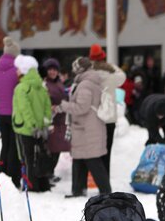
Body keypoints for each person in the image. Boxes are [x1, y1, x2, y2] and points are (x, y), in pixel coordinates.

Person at [55, 56, 111, 197]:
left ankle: (105, 191)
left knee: (92, 160)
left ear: (79, 69)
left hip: (87, 128)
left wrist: (63, 106)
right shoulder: (90, 81)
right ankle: (78, 190)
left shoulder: (85, 84)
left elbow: (82, 107)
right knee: (80, 159)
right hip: (87, 127)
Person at [12, 55, 52, 192]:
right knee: (40, 156)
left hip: (25, 129)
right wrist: (45, 124)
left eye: (18, 69)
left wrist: (32, 126)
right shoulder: (41, 87)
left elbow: (24, 109)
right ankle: (43, 184)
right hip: (40, 129)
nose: (16, 71)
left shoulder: (21, 88)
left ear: (24, 70)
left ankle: (31, 186)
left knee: (27, 158)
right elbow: (47, 107)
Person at [90, 43, 126, 176]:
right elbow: (122, 76)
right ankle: (105, 179)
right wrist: (111, 66)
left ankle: (96, 178)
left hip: (93, 118)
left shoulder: (89, 74)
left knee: (95, 151)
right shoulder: (112, 76)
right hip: (109, 117)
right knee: (107, 150)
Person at [0, 37, 21, 186]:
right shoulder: (17, 71)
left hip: (1, 113)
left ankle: (2, 175)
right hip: (15, 114)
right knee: (14, 147)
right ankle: (14, 178)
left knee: (5, 144)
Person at [43, 58, 70, 181]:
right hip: (51, 120)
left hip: (61, 119)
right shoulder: (45, 84)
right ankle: (47, 173)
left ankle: (50, 172)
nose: (52, 72)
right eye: (50, 70)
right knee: (52, 149)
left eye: (54, 70)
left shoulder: (59, 82)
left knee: (57, 148)